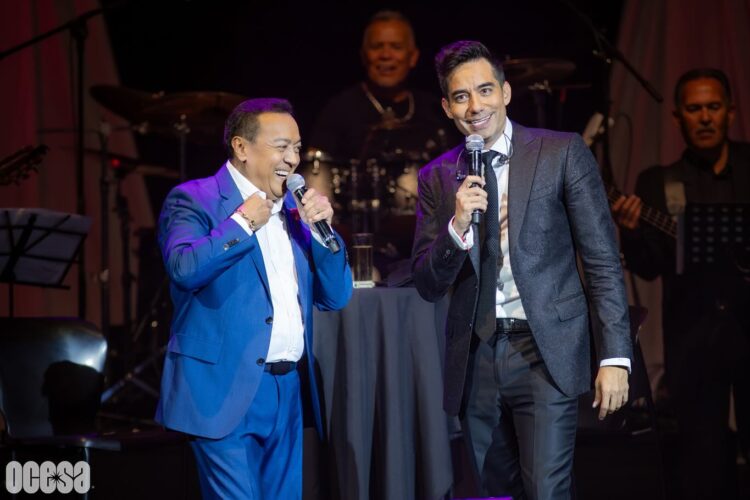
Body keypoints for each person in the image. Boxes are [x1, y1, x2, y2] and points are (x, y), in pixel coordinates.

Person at [411, 40, 632, 499]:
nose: (475, 106)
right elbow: (428, 283)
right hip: (477, 354)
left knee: (546, 489)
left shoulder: (560, 152)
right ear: (447, 108)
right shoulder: (437, 176)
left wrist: (615, 356)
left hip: (545, 348)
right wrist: (455, 228)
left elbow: (602, 260)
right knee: (489, 492)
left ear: (506, 93)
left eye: (485, 90)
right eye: (461, 96)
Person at [156, 98, 352, 499]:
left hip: (288, 392)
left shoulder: (294, 213)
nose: (293, 159)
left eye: (296, 147)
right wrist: (243, 222)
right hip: (222, 388)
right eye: (281, 146)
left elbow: (336, 296)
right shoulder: (195, 199)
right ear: (241, 148)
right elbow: (184, 267)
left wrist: (322, 234)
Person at [612, 68, 750, 500]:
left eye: (713, 107)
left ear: (730, 112)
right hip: (693, 339)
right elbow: (650, 269)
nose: (705, 117)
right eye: (694, 109)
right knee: (702, 463)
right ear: (678, 118)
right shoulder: (657, 182)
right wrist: (632, 232)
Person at [310, 10, 453, 163]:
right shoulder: (338, 110)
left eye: (396, 47)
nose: (385, 55)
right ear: (364, 55)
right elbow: (315, 169)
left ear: (413, 57)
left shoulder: (435, 110)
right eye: (377, 46)